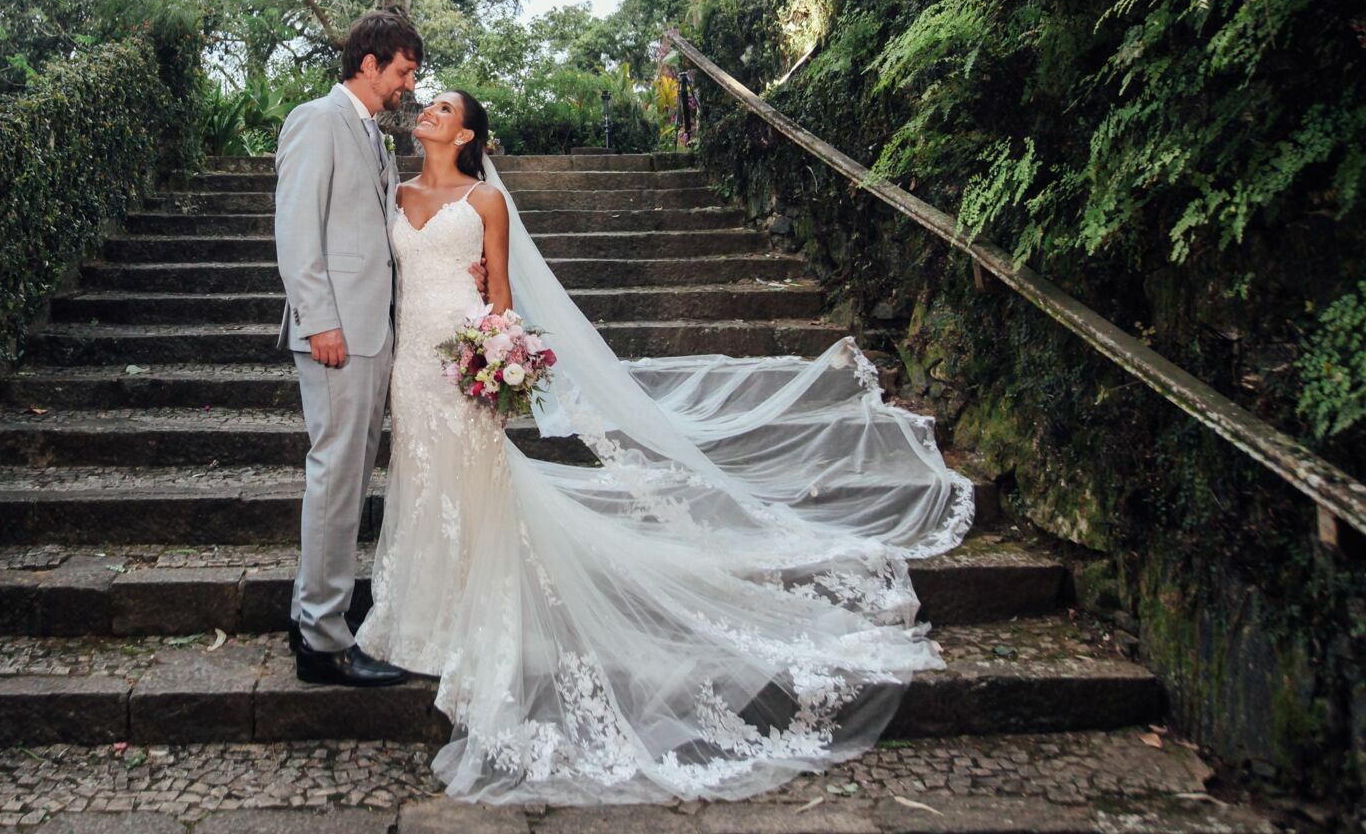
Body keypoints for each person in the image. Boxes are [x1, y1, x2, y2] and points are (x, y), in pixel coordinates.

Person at [353, 88, 976, 805]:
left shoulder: (486, 202)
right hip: (410, 365)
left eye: (443, 108)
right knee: (421, 479)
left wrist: (497, 354)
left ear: (466, 134)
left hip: (464, 361)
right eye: (426, 104)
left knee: (474, 484)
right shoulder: (394, 193)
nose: (427, 110)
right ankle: (417, 616)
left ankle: (474, 617)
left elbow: (501, 293)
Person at [272, 10, 421, 687]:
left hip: (373, 331)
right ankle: (323, 641)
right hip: (338, 334)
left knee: (348, 481)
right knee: (335, 480)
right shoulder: (316, 120)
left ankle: (311, 611)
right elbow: (297, 230)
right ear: (370, 62)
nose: (408, 85)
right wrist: (320, 320)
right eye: (402, 70)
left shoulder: (375, 137)